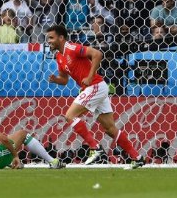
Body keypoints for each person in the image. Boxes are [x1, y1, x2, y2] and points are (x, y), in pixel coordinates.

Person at [46, 25, 145, 168]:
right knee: (110, 129)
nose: (49, 41)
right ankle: (137, 157)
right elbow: (65, 79)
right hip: (96, 88)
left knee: (70, 115)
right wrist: (56, 80)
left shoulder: (72, 48)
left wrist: (90, 76)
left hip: (95, 86)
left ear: (61, 38)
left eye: (51, 38)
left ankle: (94, 148)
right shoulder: (59, 57)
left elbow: (97, 54)